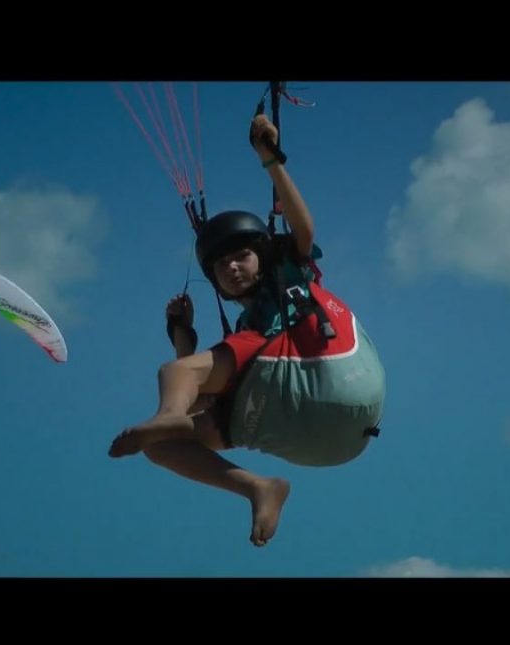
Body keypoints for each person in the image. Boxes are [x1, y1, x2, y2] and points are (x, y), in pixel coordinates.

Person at [109, 114, 386, 547]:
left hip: (324, 368)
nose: (232, 267)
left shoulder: (291, 274)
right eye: (221, 265)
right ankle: (258, 488)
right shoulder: (246, 334)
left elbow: (303, 228)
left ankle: (167, 417)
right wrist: (185, 336)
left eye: (240, 257)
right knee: (162, 446)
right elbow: (203, 390)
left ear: (261, 255)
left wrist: (270, 160)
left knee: (175, 375)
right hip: (324, 437)